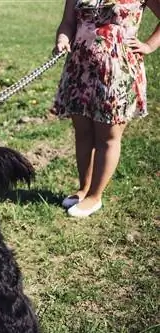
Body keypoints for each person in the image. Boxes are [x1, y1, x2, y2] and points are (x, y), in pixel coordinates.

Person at [52, 0, 160, 217]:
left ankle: (95, 196)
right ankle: (84, 189)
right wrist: (62, 38)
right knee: (83, 133)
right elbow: (68, 22)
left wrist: (149, 45)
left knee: (107, 137)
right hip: (79, 68)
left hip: (117, 71)